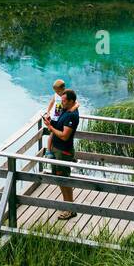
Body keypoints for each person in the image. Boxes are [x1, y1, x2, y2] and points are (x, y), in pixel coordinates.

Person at [42, 89, 81, 219]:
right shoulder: (66, 110)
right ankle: (67, 206)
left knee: (65, 179)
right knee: (60, 179)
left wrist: (51, 128)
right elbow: (59, 125)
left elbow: (64, 136)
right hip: (56, 149)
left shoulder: (72, 115)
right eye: (62, 100)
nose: (62, 102)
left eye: (64, 101)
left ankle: (70, 209)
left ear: (71, 101)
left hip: (63, 151)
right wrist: (50, 122)